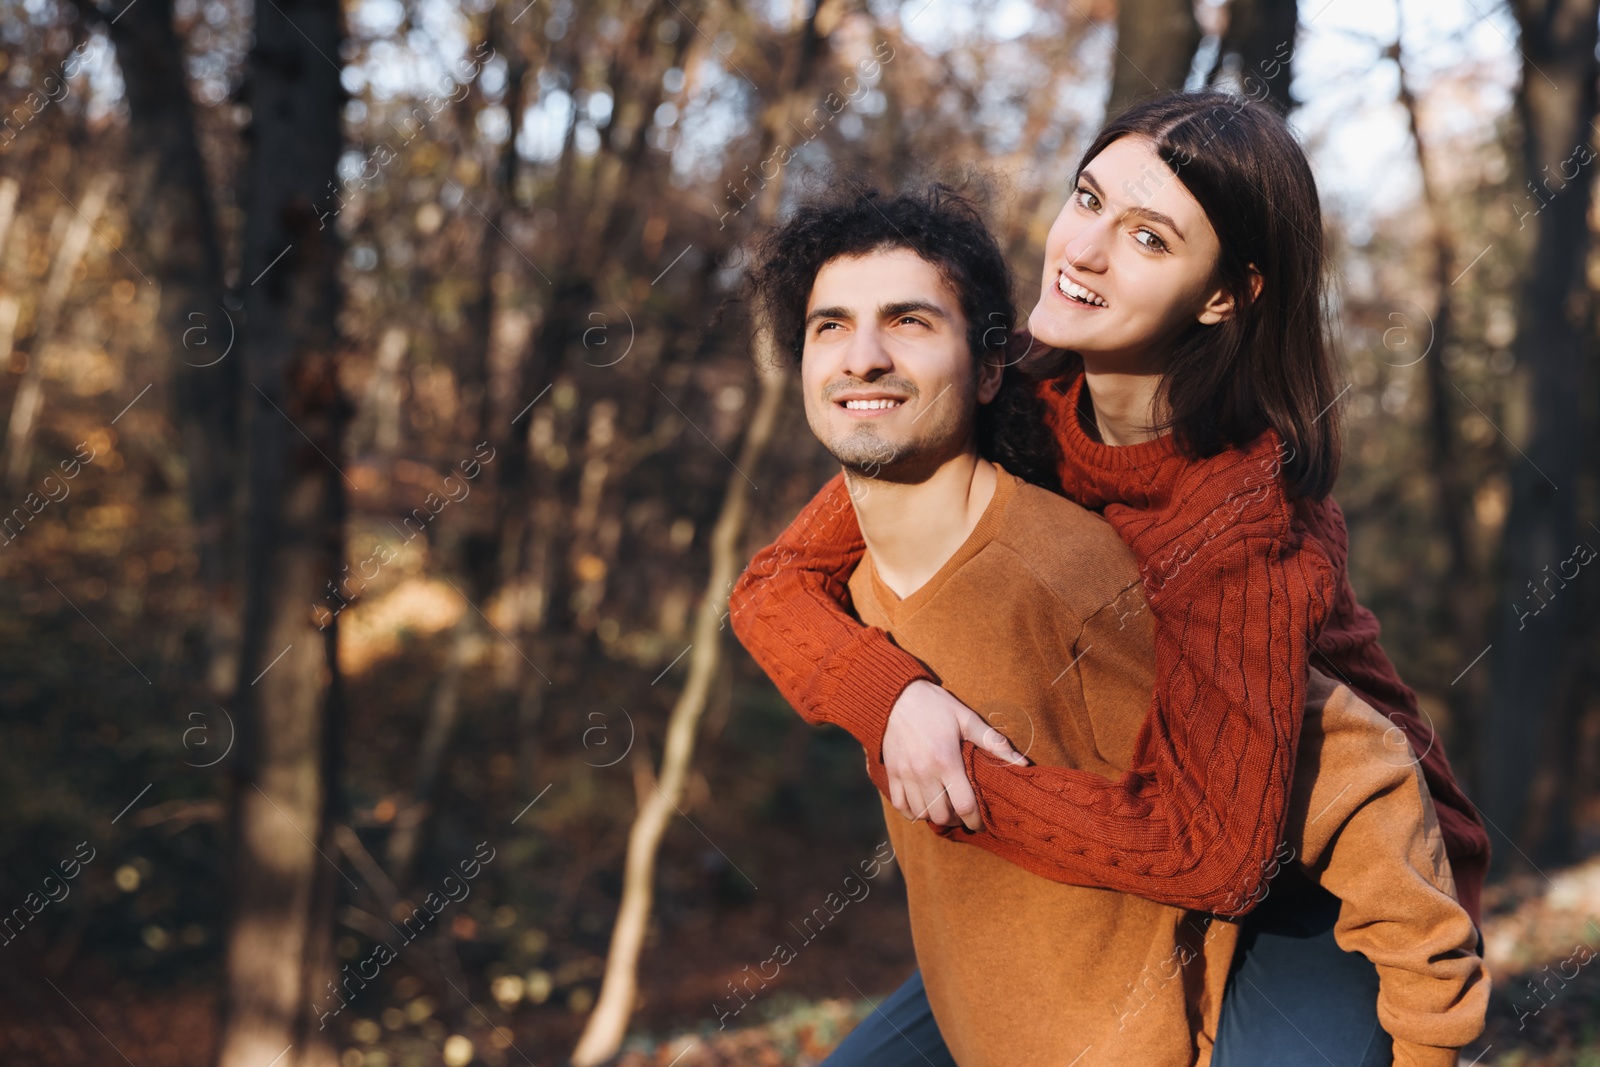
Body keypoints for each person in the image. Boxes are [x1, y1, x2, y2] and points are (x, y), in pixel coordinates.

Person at [731, 94, 1493, 1065]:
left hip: (1312, 878)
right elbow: (775, 583)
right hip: (1114, 851)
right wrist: (896, 701)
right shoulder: (1020, 390)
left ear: (1225, 293)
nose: (1081, 249)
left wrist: (955, 779)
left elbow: (1215, 849)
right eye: (1086, 198)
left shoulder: (1239, 517)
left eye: (1145, 235)